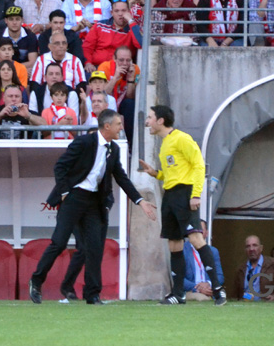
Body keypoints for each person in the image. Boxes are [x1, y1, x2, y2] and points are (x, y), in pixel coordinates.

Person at [30, 108, 156, 304]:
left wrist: (140, 201)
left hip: (94, 202)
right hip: (73, 197)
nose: (121, 128)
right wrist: (64, 193)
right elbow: (60, 167)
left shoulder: (113, 150)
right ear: (107, 126)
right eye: (118, 124)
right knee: (59, 242)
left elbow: (121, 178)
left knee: (95, 247)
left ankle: (92, 294)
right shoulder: (83, 142)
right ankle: (36, 281)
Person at [138, 105, 227, 305]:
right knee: (174, 244)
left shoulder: (182, 139)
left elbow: (198, 165)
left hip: (185, 194)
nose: (148, 122)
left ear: (161, 120)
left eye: (150, 117)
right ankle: (178, 294)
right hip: (170, 195)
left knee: (196, 239)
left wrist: (196, 195)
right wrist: (156, 174)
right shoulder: (165, 144)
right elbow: (173, 174)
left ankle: (218, 290)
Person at [232, 234, 274, 300]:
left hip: (269, 308)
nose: (251, 249)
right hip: (246, 308)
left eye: (255, 245)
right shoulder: (241, 269)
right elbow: (235, 296)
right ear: (245, 250)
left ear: (261, 248)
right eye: (248, 246)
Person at [183, 231, 224, 301]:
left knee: (222, 294)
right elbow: (179, 279)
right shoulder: (182, 250)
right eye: (196, 230)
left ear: (206, 233)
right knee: (202, 298)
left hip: (210, 289)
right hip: (191, 290)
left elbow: (220, 276)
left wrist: (209, 284)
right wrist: (198, 288)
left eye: (201, 230)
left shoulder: (213, 251)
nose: (198, 233)